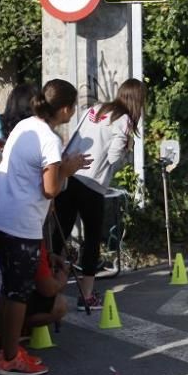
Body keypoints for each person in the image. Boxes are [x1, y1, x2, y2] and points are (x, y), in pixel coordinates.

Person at [0, 80, 90, 375]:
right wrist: (68, 169)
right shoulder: (50, 140)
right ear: (66, 109)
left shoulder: (25, 125)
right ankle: (10, 358)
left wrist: (62, 167)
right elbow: (50, 189)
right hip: (21, 224)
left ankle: (7, 349)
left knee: (8, 287)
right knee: (18, 292)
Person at [55, 78, 146, 310]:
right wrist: (126, 152)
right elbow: (115, 157)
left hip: (70, 174)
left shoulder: (94, 109)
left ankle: (47, 286)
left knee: (60, 233)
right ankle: (86, 295)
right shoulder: (124, 119)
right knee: (92, 237)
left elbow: (75, 136)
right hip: (92, 183)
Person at [0, 231, 70, 357]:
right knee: (59, 305)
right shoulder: (28, 236)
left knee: (21, 286)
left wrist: (47, 256)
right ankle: (2, 338)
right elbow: (48, 289)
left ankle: (4, 333)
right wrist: (62, 278)